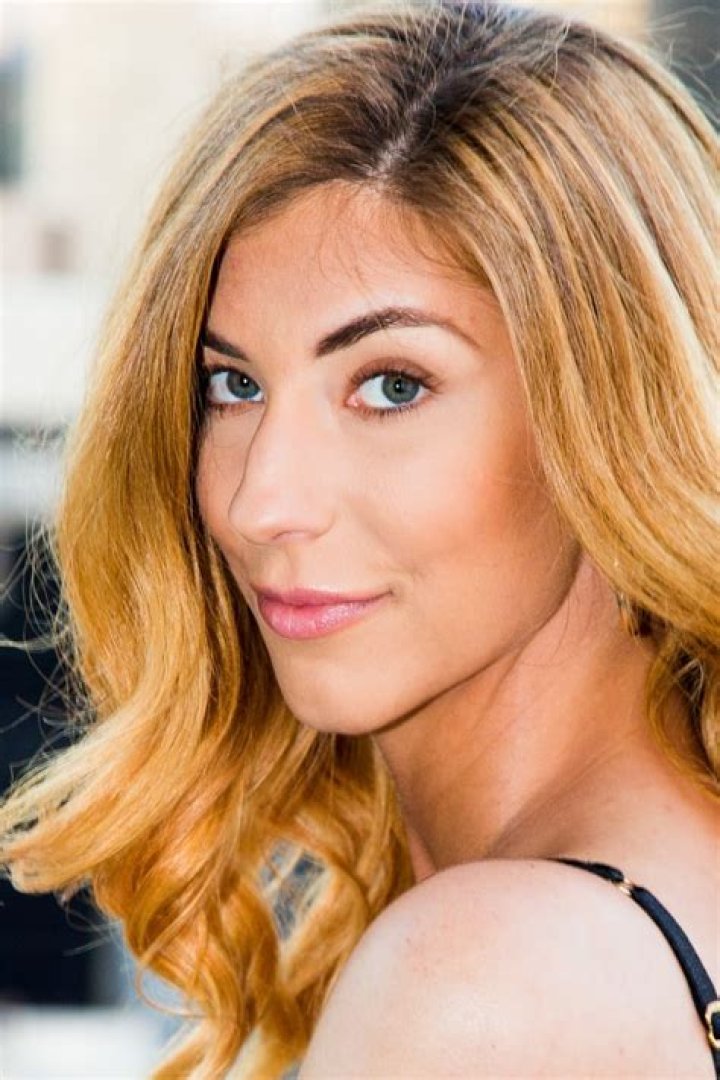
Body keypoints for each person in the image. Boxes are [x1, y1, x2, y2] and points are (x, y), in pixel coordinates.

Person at [1, 0, 718, 1076]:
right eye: (231, 385)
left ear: (613, 414)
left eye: (391, 386)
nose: (262, 502)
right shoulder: (643, 906)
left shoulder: (483, 984)